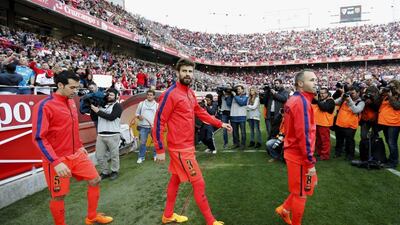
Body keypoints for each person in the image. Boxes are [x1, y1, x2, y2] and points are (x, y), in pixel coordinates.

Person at [153, 59, 232, 225]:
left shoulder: (189, 93)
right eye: (184, 71)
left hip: (187, 146)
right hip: (180, 149)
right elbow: (159, 121)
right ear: (177, 73)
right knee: (199, 182)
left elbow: (199, 111)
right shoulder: (170, 94)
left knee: (175, 179)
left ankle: (168, 215)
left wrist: (219, 123)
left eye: (190, 71)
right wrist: (159, 149)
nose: (187, 74)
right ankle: (211, 221)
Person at [31, 71, 113, 225]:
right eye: (72, 87)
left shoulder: (70, 102)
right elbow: (39, 138)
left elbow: (71, 128)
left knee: (95, 179)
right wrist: (55, 162)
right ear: (60, 85)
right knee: (59, 196)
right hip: (57, 160)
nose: (75, 91)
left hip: (77, 155)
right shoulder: (44, 106)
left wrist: (80, 146)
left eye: (77, 87)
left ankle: (92, 216)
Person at [275, 69, 318, 225]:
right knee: (301, 193)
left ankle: (284, 209)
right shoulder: (300, 102)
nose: (316, 83)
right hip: (299, 155)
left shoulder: (295, 99)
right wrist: (310, 162)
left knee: (303, 188)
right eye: (312, 80)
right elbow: (304, 135)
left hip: (295, 153)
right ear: (300, 83)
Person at [91, 88, 123, 180]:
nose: (109, 96)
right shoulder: (101, 105)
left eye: (112, 95)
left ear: (116, 96)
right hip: (101, 134)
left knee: (114, 155)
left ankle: (114, 171)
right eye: (108, 94)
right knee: (99, 155)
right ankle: (105, 171)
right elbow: (94, 118)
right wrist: (92, 108)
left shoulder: (117, 106)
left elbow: (111, 117)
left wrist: (97, 111)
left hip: (113, 134)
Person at [334, 86, 365, 160]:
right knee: (339, 140)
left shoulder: (361, 102)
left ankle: (350, 155)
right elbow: (335, 102)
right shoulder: (345, 99)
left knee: (349, 142)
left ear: (358, 93)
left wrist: (349, 100)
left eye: (353, 93)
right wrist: (342, 98)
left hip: (350, 125)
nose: (351, 95)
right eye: (350, 93)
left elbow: (356, 110)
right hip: (340, 123)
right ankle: (338, 153)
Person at [377, 80, 400, 168]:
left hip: (394, 123)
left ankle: (393, 161)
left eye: (392, 86)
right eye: (389, 86)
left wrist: (390, 96)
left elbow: (397, 106)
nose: (390, 88)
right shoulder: (386, 96)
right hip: (385, 122)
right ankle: (392, 158)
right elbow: (377, 104)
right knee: (389, 142)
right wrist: (380, 94)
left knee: (392, 143)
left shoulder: (397, 95)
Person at [311, 87, 335, 160]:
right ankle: (319, 153)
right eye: (320, 93)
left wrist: (317, 100)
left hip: (324, 124)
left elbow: (324, 108)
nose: (321, 95)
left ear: (327, 93)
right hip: (318, 123)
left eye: (323, 93)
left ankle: (325, 155)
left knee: (325, 140)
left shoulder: (330, 101)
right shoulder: (320, 100)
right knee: (318, 140)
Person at [136, 89, 158, 163]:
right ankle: (141, 157)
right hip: (143, 126)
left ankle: (156, 155)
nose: (149, 96)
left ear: (154, 96)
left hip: (153, 127)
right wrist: (139, 117)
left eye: (151, 95)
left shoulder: (157, 105)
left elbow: (159, 116)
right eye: (148, 95)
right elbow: (136, 114)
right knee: (142, 142)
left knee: (156, 142)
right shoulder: (141, 104)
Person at [230, 85, 248, 150]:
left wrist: (235, 96)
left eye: (239, 89)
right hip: (233, 115)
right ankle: (236, 143)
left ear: (243, 90)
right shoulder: (233, 97)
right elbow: (228, 104)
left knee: (243, 131)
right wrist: (227, 96)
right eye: (237, 89)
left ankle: (243, 144)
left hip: (241, 116)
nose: (238, 90)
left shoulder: (245, 96)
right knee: (235, 132)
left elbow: (241, 103)